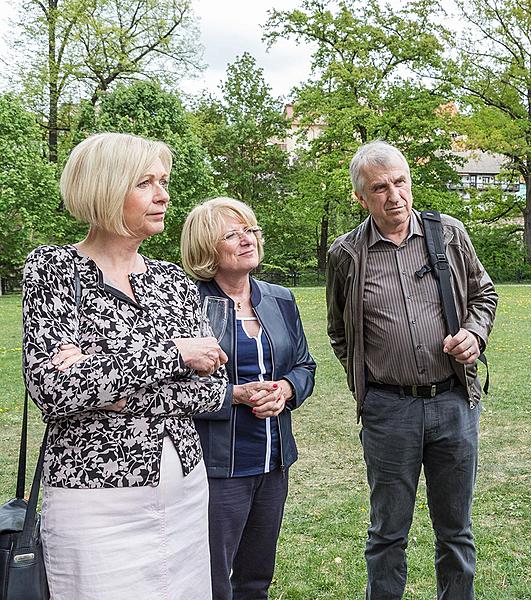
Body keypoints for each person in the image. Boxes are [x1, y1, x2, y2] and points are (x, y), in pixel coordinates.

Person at [21, 132, 228, 599]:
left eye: (164, 181)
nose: (163, 195)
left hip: (185, 491)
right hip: (94, 501)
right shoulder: (55, 270)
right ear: (106, 188)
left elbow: (211, 391)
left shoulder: (172, 280)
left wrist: (107, 384)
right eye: (145, 183)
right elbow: (54, 391)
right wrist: (175, 355)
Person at [325, 141, 498, 600]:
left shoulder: (449, 235)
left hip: (453, 405)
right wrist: (370, 383)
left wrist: (474, 336)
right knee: (387, 533)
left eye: (400, 182)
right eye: (379, 188)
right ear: (361, 198)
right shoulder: (346, 254)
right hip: (388, 412)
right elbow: (339, 332)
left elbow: (485, 295)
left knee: (456, 531)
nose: (394, 195)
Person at [181, 197, 317, 600]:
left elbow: (305, 366)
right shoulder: (188, 303)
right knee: (211, 577)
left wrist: (288, 390)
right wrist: (232, 396)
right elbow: (170, 385)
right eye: (233, 234)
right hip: (216, 466)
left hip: (273, 461)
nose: (248, 240)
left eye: (251, 231)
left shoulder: (279, 298)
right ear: (207, 247)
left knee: (257, 577)